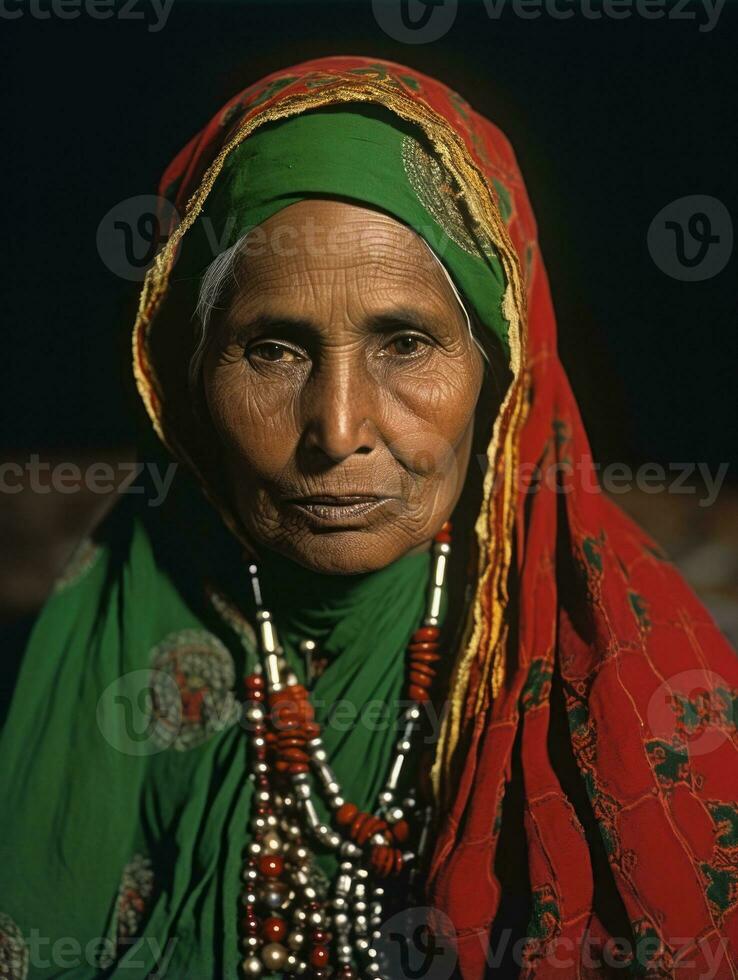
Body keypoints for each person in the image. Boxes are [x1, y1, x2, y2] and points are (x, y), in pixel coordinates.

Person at [1, 56, 736, 980]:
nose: (338, 430)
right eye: (271, 349)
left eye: (406, 342)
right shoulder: (108, 644)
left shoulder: (631, 677)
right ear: (186, 378)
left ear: (499, 372)